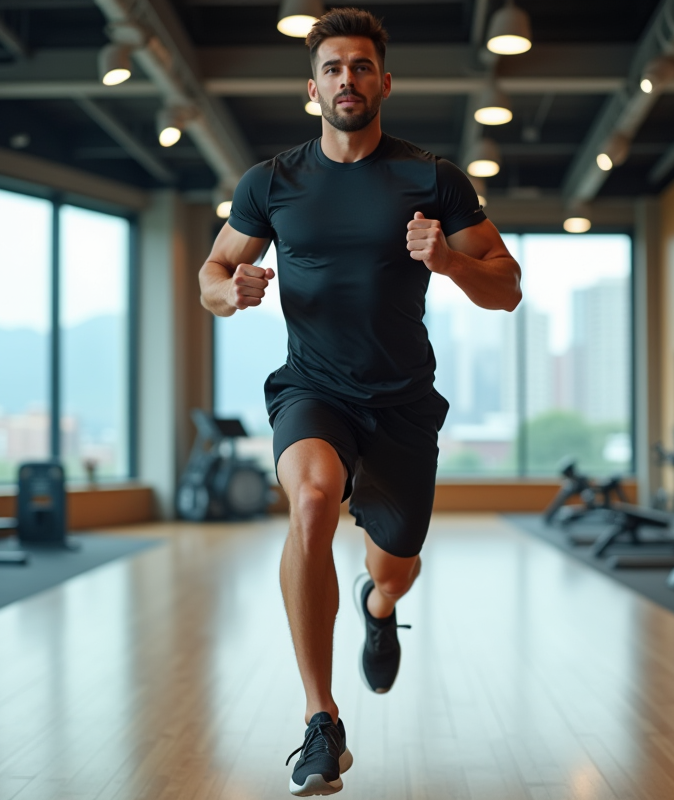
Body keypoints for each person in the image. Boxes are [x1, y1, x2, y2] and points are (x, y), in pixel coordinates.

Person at [197, 7, 521, 796]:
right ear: (313, 89)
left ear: (385, 82)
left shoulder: (434, 178)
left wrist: (447, 260)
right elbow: (211, 274)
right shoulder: (270, 183)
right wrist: (229, 291)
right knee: (310, 501)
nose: (349, 79)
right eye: (334, 68)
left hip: (404, 401)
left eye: (362, 67)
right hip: (313, 389)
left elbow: (506, 288)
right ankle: (320, 722)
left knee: (397, 564)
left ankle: (380, 607)